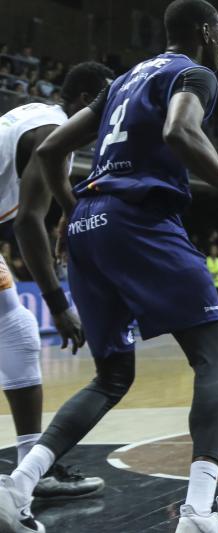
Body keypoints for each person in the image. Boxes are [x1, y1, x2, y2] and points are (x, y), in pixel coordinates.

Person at [0, 2, 218, 532]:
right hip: (140, 221)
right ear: (205, 32)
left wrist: (74, 209)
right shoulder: (195, 73)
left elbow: (53, 150)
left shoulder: (121, 80)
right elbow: (179, 132)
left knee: (112, 376)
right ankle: (197, 513)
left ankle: (17, 487)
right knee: (215, 359)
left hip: (89, 229)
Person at [0, 62, 112, 509]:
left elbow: (47, 201)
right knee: (18, 328)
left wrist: (68, 208)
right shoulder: (53, 132)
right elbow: (28, 222)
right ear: (87, 101)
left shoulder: (45, 122)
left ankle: (33, 466)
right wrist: (58, 303)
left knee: (17, 330)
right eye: (110, 101)